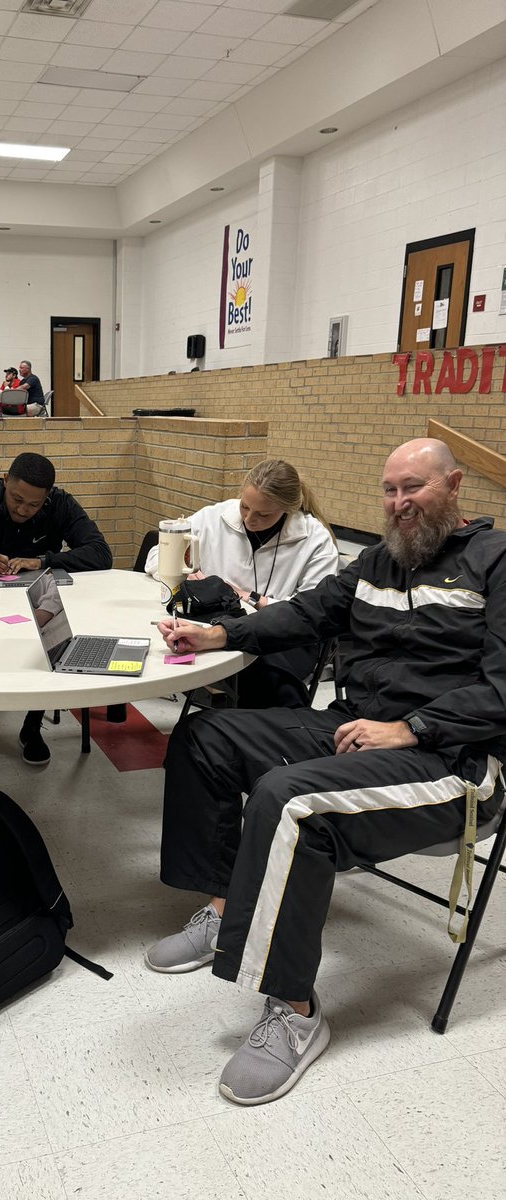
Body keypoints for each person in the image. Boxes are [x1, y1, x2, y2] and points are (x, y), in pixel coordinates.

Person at [145, 438, 506, 1106]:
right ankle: (226, 907)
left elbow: (503, 689)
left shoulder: (497, 561)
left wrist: (413, 727)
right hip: (356, 729)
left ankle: (294, 1012)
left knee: (289, 800)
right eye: (389, 490)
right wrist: (220, 634)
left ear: (454, 485)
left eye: (414, 488)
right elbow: (306, 613)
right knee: (205, 735)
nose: (398, 504)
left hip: (453, 761)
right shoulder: (377, 562)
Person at [0, 452, 112, 765]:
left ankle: (31, 726)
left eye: (34, 504)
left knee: (45, 641)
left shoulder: (61, 504)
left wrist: (44, 561)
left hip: (39, 601)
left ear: (47, 498)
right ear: (4, 482)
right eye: (16, 499)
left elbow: (100, 553)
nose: (23, 510)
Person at [144, 459, 339, 706]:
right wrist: (183, 571)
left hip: (287, 636)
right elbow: (155, 555)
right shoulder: (215, 517)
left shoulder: (315, 540)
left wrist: (252, 598)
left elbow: (314, 609)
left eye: (263, 514)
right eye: (245, 507)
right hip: (222, 625)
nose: (249, 519)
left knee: (264, 670)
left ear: (288, 509)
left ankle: (271, 731)